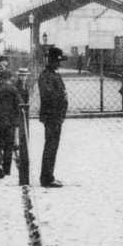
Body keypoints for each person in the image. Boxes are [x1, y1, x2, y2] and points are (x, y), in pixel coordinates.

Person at [38, 46, 69, 188]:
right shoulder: (46, 76)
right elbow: (48, 96)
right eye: (57, 61)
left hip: (56, 116)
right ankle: (46, 178)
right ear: (52, 61)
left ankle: (49, 176)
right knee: (50, 146)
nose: (59, 64)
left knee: (52, 146)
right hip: (52, 116)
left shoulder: (53, 74)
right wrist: (62, 97)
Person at [0, 68, 22, 179]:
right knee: (9, 145)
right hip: (10, 121)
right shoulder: (13, 90)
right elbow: (19, 105)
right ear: (10, 78)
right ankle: (6, 168)